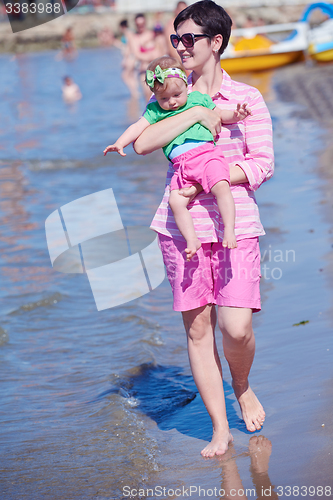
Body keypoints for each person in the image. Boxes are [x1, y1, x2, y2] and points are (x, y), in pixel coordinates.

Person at [133, 0, 274, 458]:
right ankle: (219, 429)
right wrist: (194, 114)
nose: (180, 47)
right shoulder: (171, 94)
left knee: (236, 329)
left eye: (189, 38)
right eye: (176, 39)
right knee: (197, 330)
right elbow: (143, 142)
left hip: (237, 223)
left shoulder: (247, 99)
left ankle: (242, 382)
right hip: (181, 229)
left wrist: (210, 177)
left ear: (216, 43)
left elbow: (262, 164)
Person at [104, 55, 251, 259]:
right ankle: (192, 239)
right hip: (182, 167)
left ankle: (229, 230)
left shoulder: (197, 99)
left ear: (185, 85)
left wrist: (237, 115)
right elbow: (138, 128)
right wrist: (120, 143)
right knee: (175, 201)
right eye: (164, 98)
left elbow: (220, 114)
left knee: (221, 187)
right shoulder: (155, 110)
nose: (172, 102)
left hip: (207, 156)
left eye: (176, 95)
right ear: (155, 95)